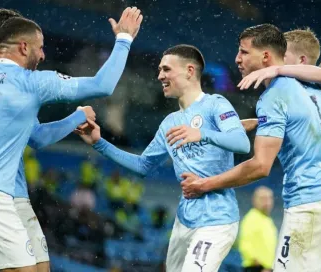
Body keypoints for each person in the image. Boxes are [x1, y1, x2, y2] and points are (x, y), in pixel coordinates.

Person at [0, 8, 142, 272]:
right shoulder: (32, 83)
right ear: (21, 44)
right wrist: (124, 39)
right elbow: (103, 85)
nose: (43, 55)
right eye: (40, 48)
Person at [180, 24, 321, 271]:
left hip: (308, 204)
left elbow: (260, 166)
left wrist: (204, 184)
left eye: (244, 52)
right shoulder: (311, 87)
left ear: (265, 56)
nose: (237, 59)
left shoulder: (273, 97)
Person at [77, 44, 250, 272]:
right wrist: (99, 143)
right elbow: (143, 165)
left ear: (189, 71)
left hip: (217, 219)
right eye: (159, 70)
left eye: (166, 69)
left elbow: (243, 143)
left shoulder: (216, 105)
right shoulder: (169, 123)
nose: (160, 76)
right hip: (184, 220)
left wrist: (202, 133)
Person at [238, 28, 321, 272]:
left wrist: (275, 69)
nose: (279, 60)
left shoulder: (299, 89)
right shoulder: (319, 94)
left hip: (312, 197)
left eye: (284, 57)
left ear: (301, 61)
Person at [239, 186, 277, 272]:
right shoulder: (251, 218)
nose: (266, 202)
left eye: (269, 198)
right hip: (256, 268)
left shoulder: (268, 220)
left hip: (267, 268)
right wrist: (259, 265)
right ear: (254, 200)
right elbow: (245, 244)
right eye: (262, 199)